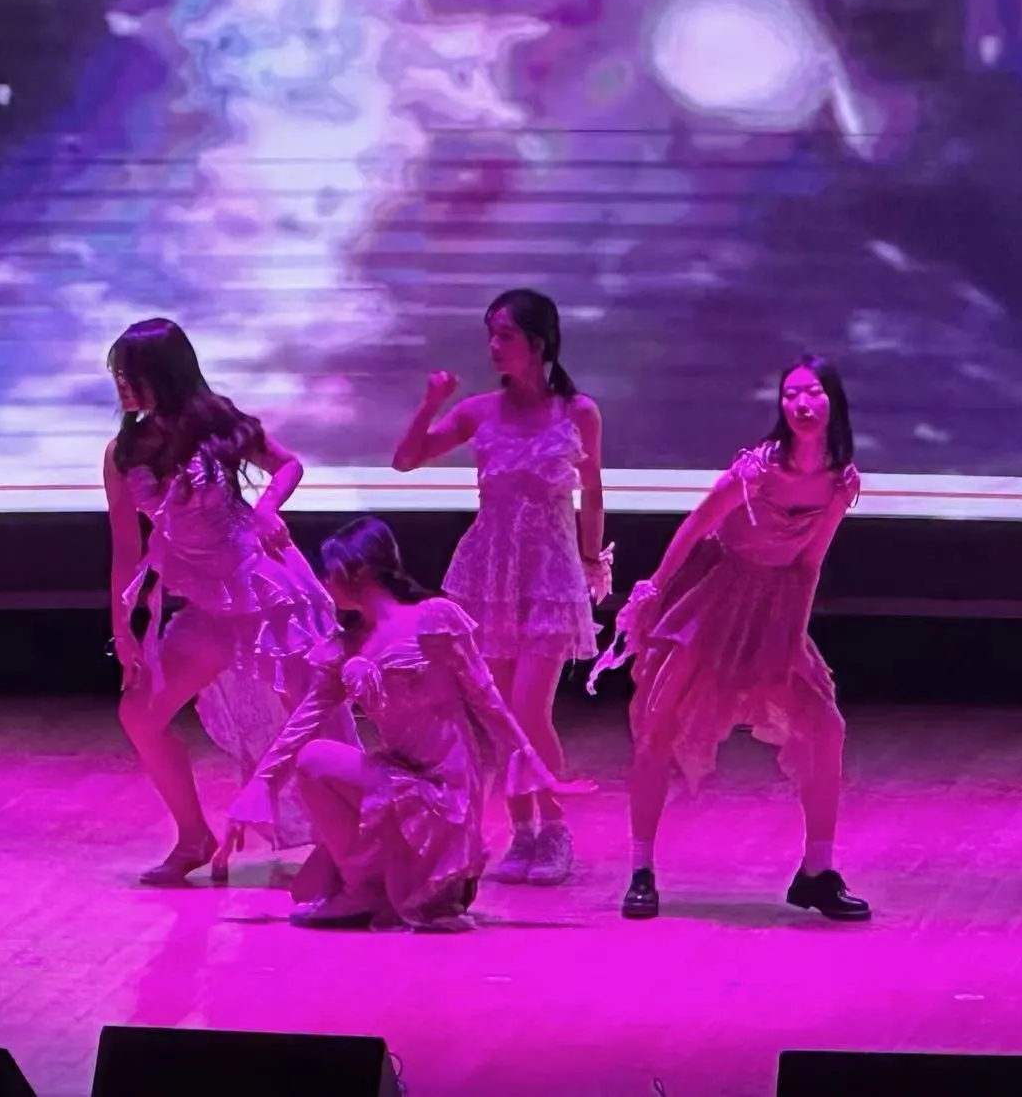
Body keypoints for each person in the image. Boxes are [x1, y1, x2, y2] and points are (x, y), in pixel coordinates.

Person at [600, 353, 869, 923]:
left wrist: (791, 636)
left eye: (812, 392)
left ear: (833, 401)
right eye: (790, 393)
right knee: (657, 725)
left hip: (774, 609)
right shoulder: (755, 471)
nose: (800, 403)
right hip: (713, 600)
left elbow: (809, 563)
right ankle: (641, 870)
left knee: (825, 727)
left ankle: (817, 871)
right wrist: (653, 590)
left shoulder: (840, 482)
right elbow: (696, 526)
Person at [223, 518, 563, 931]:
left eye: (332, 571)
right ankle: (364, 886)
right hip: (399, 777)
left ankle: (385, 883)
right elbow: (304, 720)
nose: (327, 582)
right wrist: (261, 783)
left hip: (446, 792)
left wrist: (528, 759)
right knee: (313, 760)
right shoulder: (348, 646)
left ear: (361, 570)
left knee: (316, 761)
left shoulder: (433, 619)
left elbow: (486, 699)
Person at [104, 316, 338, 886]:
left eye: (133, 374)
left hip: (265, 594)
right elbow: (126, 550)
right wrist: (125, 632)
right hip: (207, 607)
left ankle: (344, 844)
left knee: (309, 721)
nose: (124, 385)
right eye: (118, 376)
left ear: (165, 372)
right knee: (139, 713)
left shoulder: (216, 422)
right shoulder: (123, 452)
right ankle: (193, 837)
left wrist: (267, 509)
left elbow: (288, 464)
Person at [391, 287, 608, 886]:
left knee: (528, 711)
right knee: (499, 714)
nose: (493, 345)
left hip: (550, 572)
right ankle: (521, 832)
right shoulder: (479, 411)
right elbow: (405, 460)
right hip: (491, 572)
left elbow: (592, 494)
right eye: (491, 333)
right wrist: (430, 404)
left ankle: (555, 828)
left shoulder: (578, 412)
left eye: (505, 334)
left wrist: (591, 561)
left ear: (538, 341)